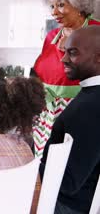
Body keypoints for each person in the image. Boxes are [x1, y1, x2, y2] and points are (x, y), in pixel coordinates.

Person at [33, 0, 100, 157]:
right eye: (52, 6)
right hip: (48, 110)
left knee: (74, 160)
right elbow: (42, 71)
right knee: (45, 161)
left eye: (61, 5)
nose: (54, 12)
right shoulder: (52, 35)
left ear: (80, 4)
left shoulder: (96, 31)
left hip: (83, 107)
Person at [40, 26, 100, 214]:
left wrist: (28, 166)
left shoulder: (90, 106)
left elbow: (68, 182)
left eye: (72, 53)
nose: (63, 59)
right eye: (65, 51)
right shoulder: (91, 96)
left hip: (68, 206)